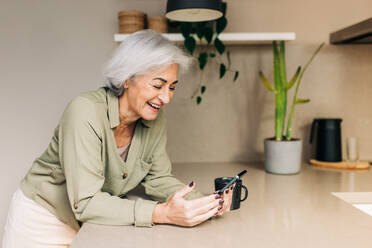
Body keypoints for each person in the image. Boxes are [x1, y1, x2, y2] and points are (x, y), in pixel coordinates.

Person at [2, 30, 233, 248]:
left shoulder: (154, 118)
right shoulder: (84, 112)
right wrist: (160, 213)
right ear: (126, 78)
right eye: (158, 85)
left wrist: (206, 203)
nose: (166, 98)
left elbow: (159, 178)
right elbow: (86, 203)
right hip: (41, 220)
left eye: (172, 87)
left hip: (91, 224)